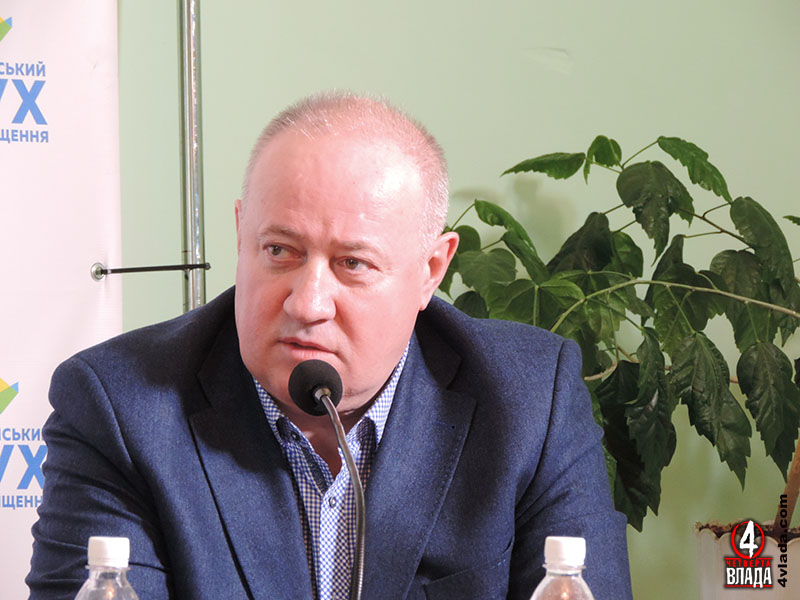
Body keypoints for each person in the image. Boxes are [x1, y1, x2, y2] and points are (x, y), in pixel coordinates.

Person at [27, 93, 632, 599]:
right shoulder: (120, 408)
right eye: (279, 251)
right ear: (241, 233)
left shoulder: (529, 399)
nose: (307, 302)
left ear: (430, 270)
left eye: (353, 263)